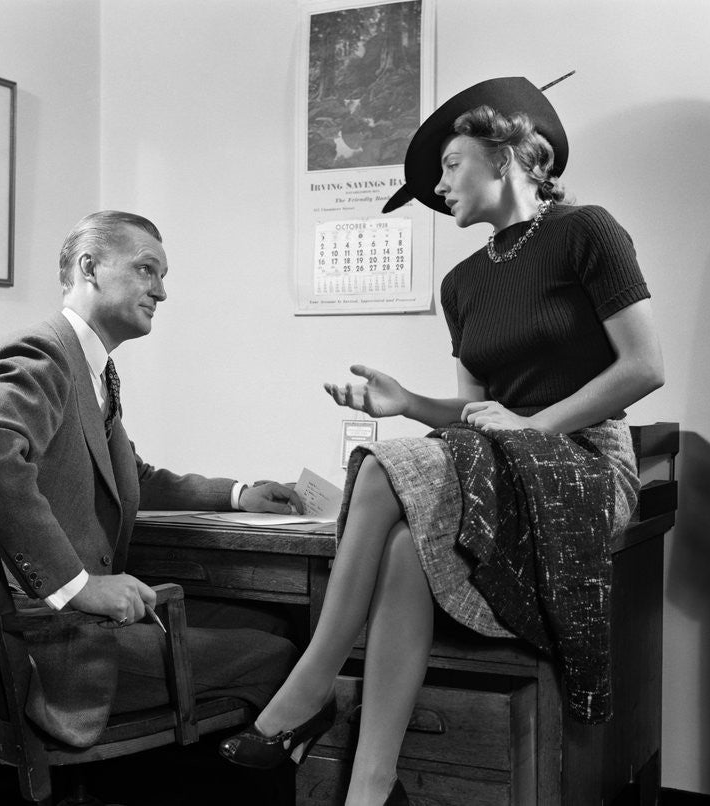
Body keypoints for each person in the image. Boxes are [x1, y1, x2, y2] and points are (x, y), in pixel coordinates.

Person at [218, 77, 664, 805]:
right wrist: (410, 404)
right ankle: (371, 784)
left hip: (586, 463)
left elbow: (647, 366)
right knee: (402, 545)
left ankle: (309, 686)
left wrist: (534, 426)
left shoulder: (589, 231)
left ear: (508, 152)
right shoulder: (461, 284)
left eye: (451, 163)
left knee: (381, 470)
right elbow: (477, 423)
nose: (440, 184)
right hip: (506, 466)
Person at [0, 210, 302, 750]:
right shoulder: (43, 356)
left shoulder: (90, 368)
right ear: (90, 268)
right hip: (53, 648)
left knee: (270, 621)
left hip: (58, 631)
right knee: (285, 653)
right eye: (146, 270)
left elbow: (132, 476)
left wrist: (238, 494)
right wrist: (79, 586)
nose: (160, 292)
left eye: (162, 276)